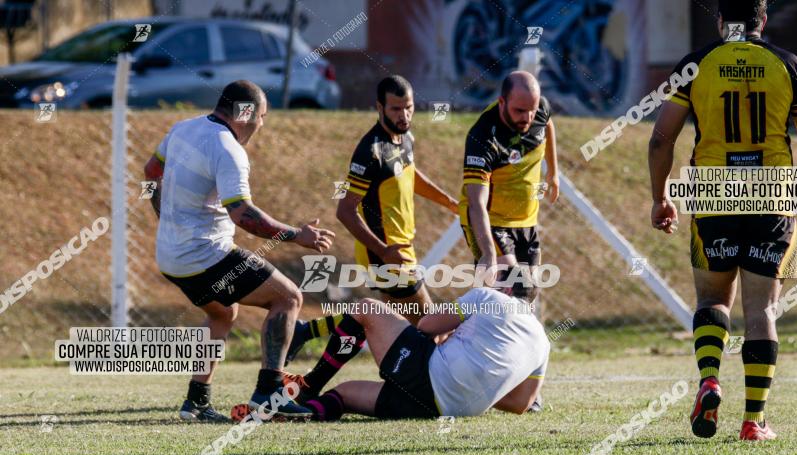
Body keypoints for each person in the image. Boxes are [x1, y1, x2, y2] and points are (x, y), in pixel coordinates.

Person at [648, 0, 797, 440]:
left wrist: (660, 198)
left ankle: (710, 378)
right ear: (761, 21)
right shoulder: (788, 64)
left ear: (719, 21)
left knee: (712, 300)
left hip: (712, 191)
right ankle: (754, 420)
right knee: (762, 309)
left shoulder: (697, 63)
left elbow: (660, 139)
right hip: (772, 196)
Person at [144, 80, 334, 422]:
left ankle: (196, 402)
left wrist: (166, 218)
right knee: (289, 298)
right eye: (261, 116)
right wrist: (297, 235)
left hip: (171, 257)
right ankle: (269, 391)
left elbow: (150, 172)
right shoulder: (228, 149)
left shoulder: (181, 129)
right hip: (205, 256)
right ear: (246, 113)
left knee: (223, 314)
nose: (261, 124)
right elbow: (243, 215)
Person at [231, 287, 549, 421]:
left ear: (506, 290)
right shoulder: (543, 342)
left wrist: (450, 354)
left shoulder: (489, 296)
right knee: (344, 394)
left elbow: (426, 325)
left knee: (367, 309)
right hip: (446, 409)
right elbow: (520, 404)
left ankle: (310, 384)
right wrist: (476, 383)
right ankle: (306, 413)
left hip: (428, 375)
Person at [334, 75, 458, 324]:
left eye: (409, 107)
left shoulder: (405, 138)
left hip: (399, 249)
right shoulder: (370, 151)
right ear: (380, 107)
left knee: (399, 332)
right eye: (396, 109)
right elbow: (345, 211)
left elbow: (410, 174)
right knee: (431, 325)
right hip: (384, 253)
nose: (404, 116)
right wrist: (383, 251)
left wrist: (451, 203)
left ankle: (307, 333)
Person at [459, 70, 559, 297]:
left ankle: (466, 328)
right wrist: (488, 253)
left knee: (528, 295)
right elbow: (476, 203)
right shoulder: (482, 137)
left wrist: (553, 173)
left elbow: (548, 123)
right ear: (501, 101)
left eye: (532, 110)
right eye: (520, 111)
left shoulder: (538, 109)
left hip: (527, 221)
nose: (528, 117)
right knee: (509, 290)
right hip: (491, 221)